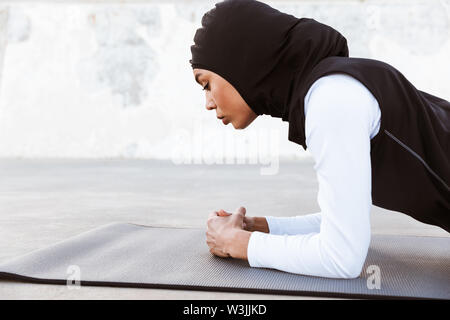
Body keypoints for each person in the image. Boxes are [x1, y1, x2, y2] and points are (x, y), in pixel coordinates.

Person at [190, 0, 450, 279]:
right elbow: (344, 219)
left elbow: (341, 258)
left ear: (238, 63)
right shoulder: (336, 87)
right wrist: (259, 227)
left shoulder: (330, 100)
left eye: (206, 83)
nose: (207, 102)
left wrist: (237, 244)